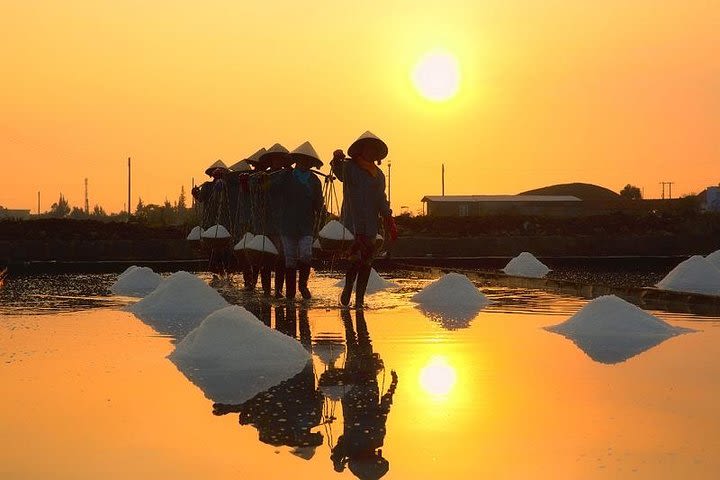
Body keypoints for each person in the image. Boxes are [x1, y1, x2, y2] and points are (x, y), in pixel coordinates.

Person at [331, 131, 393, 308]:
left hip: (371, 225)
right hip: (353, 222)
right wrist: (336, 159)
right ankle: (348, 287)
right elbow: (338, 172)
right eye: (368, 149)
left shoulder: (379, 175)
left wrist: (387, 215)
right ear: (360, 150)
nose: (371, 152)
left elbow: (381, 198)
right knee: (355, 259)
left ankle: (359, 299)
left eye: (374, 150)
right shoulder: (350, 168)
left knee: (366, 262)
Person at [280, 141, 324, 300]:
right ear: (296, 161)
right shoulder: (286, 176)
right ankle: (290, 293)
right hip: (288, 224)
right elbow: (271, 188)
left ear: (312, 163)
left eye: (308, 161)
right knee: (290, 259)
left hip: (306, 224)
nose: (305, 163)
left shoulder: (314, 181)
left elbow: (319, 203)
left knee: (306, 254)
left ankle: (303, 285)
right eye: (302, 160)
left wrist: (322, 214)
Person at [250, 144, 292, 297]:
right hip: (267, 223)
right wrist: (260, 180)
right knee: (266, 257)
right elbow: (255, 190)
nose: (277, 161)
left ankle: (279, 290)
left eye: (280, 159)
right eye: (274, 159)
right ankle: (267, 290)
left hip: (284, 222)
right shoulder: (262, 176)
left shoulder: (290, 176)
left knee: (282, 258)